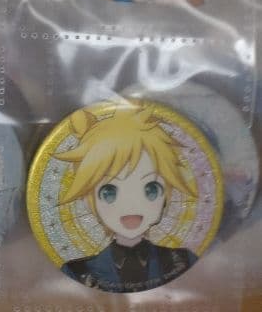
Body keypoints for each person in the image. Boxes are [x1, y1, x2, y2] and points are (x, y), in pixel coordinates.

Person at [56, 104, 198, 292]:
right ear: (87, 200)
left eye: (151, 189)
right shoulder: (77, 271)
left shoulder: (184, 261)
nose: (131, 204)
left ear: (166, 195)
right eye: (109, 192)